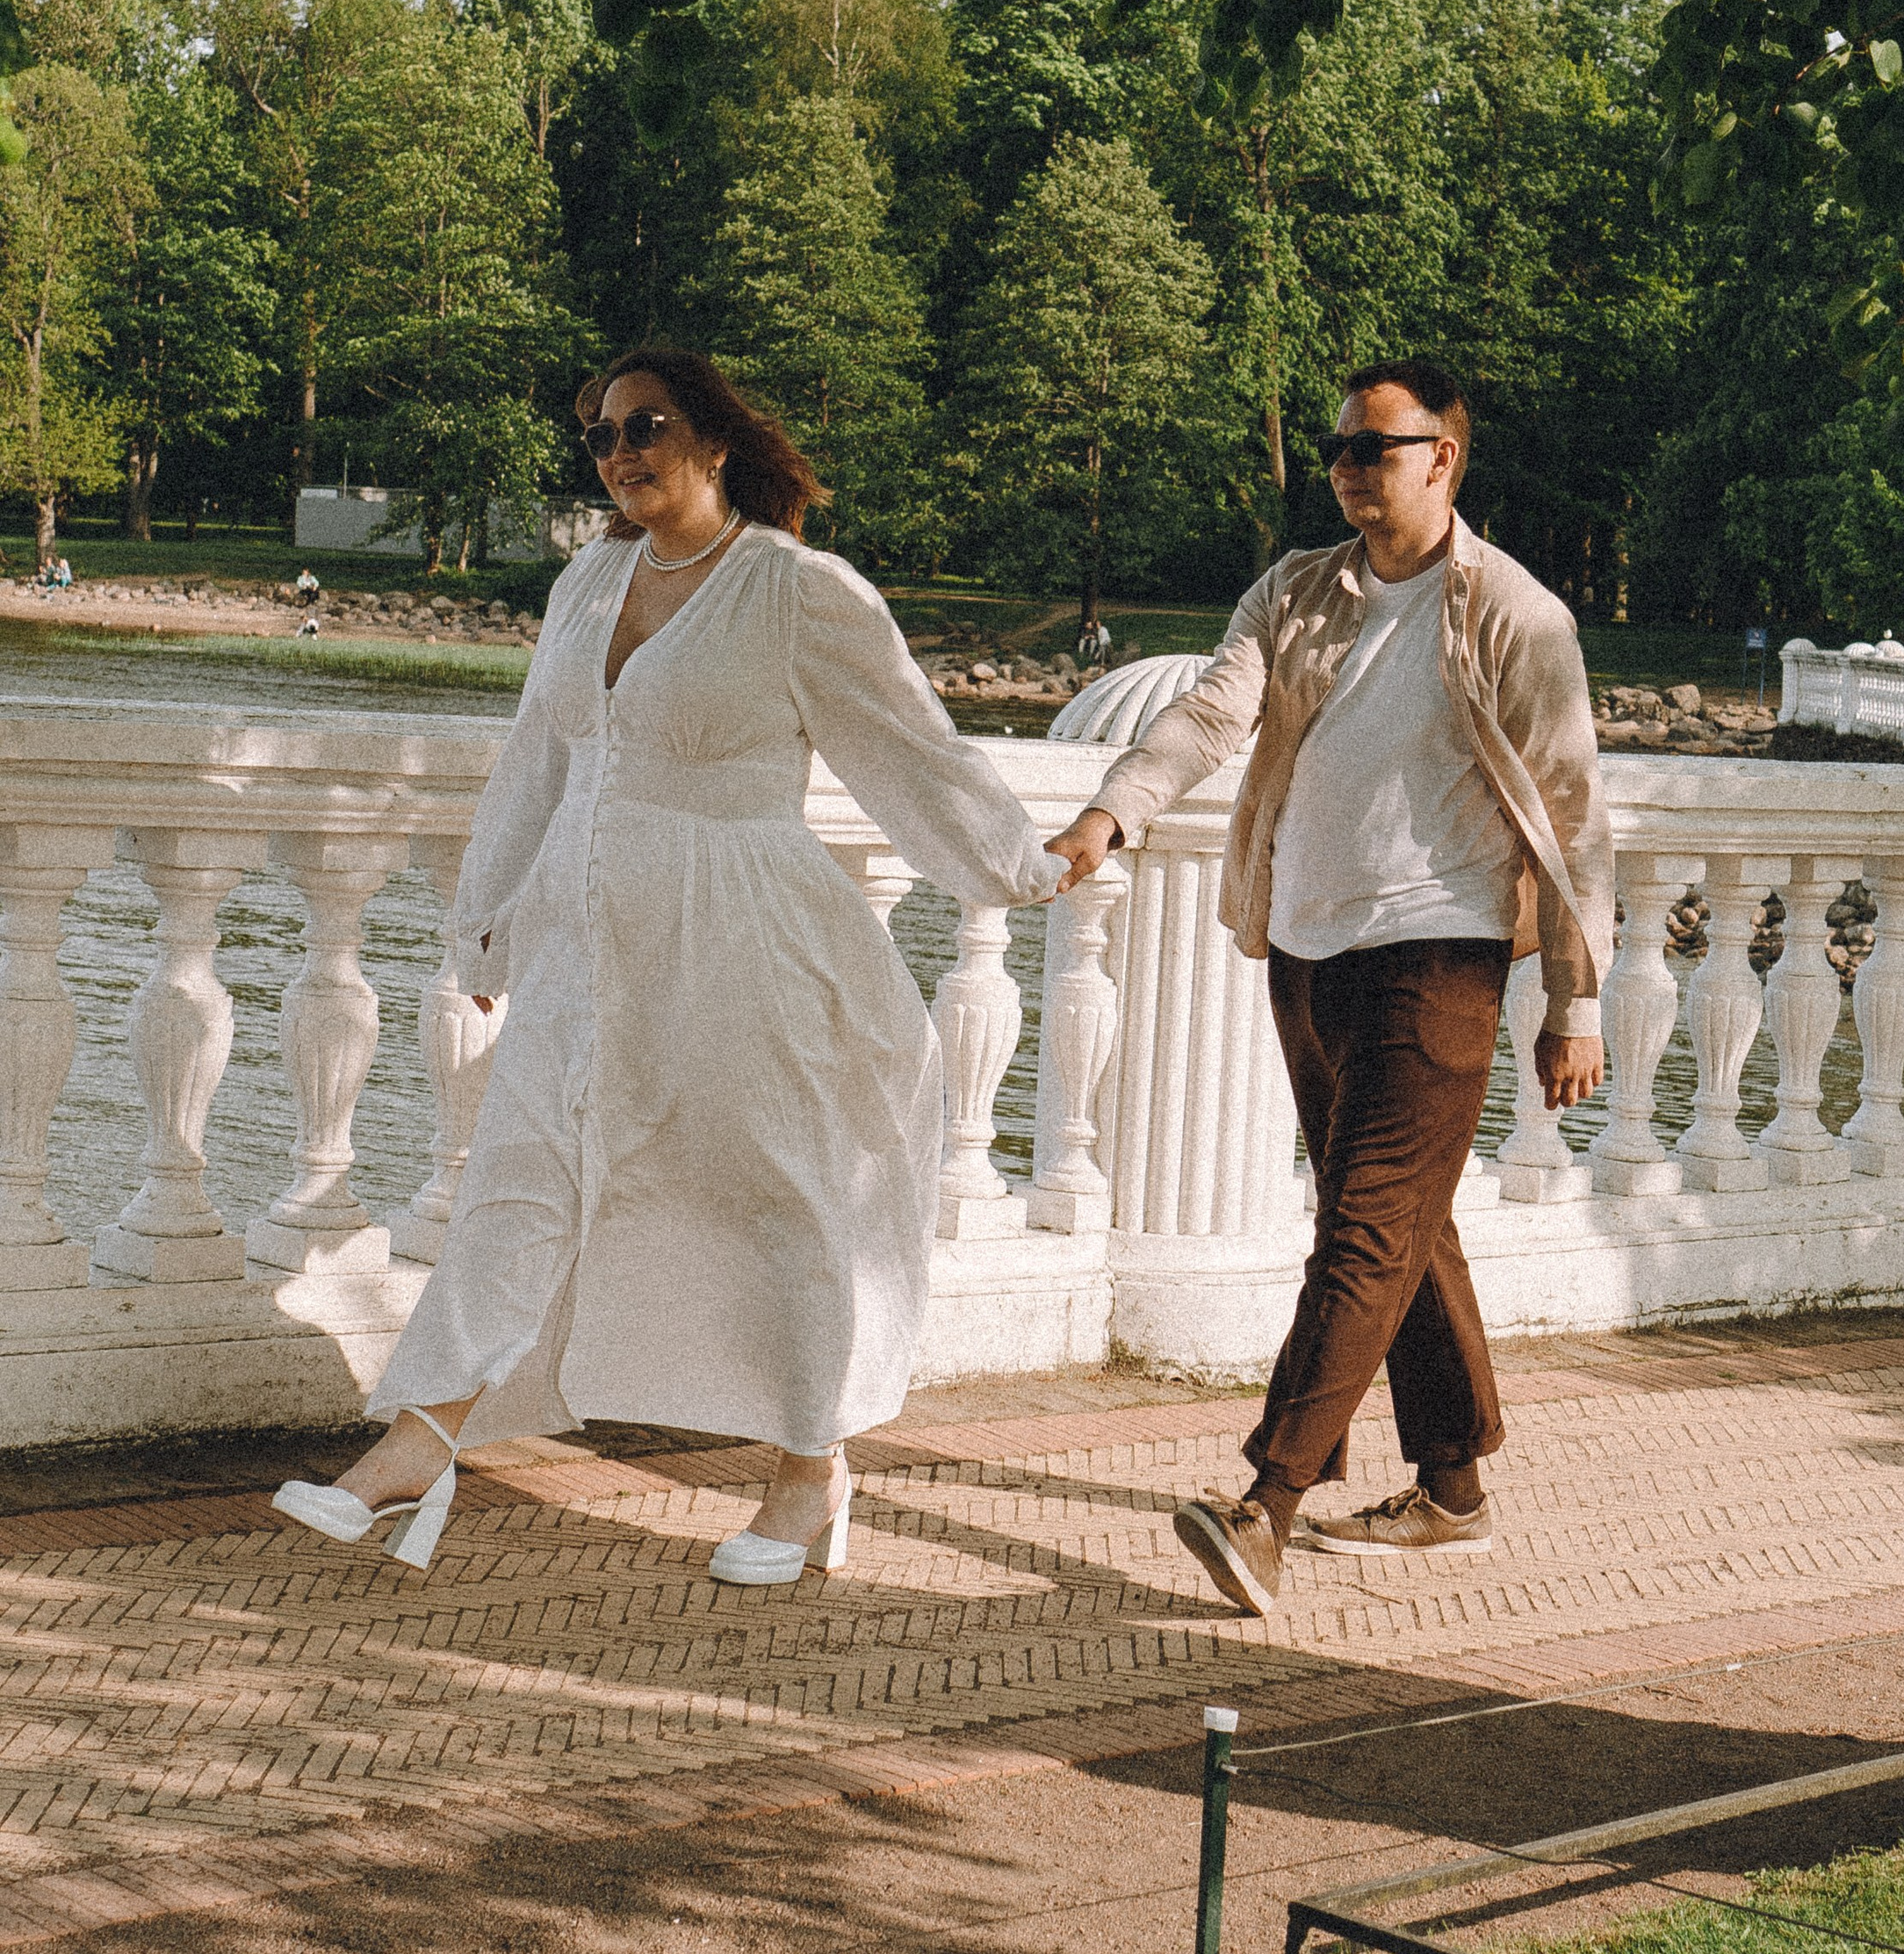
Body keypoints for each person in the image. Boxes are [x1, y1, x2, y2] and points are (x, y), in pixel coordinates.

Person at [272, 346, 1064, 1581]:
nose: (618, 451)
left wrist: (1025, 863)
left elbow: (912, 749)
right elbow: (539, 758)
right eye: (598, 435)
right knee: (520, 1183)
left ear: (713, 442)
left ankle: (811, 1471)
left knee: (781, 1196)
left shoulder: (800, 591)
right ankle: (416, 1446)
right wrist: (486, 923)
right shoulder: (590, 582)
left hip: (745, 940)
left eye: (645, 426)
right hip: (585, 944)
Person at [1048, 360, 1613, 1617]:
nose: (1352, 468)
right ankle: (1453, 1485)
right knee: (1406, 1227)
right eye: (1342, 450)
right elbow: (1207, 717)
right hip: (1306, 954)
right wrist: (1114, 810)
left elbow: (1573, 820)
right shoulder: (1297, 590)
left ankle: (1268, 1503)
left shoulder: (1518, 617)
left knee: (1360, 1232)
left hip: (1442, 957)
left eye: (1378, 447)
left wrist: (1575, 1002)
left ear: (1443, 461)